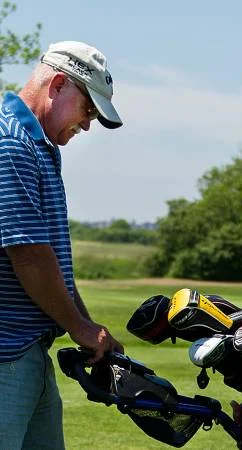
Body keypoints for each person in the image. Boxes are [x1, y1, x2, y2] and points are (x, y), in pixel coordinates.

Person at [0, 41, 125, 449]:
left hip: (27, 352)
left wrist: (89, 326)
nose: (87, 125)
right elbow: (29, 256)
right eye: (87, 109)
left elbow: (51, 258)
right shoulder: (10, 143)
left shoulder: (39, 146)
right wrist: (81, 328)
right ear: (57, 85)